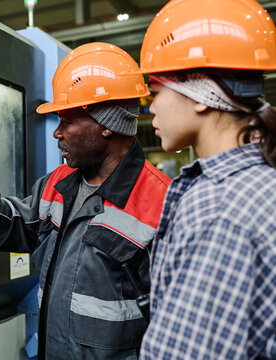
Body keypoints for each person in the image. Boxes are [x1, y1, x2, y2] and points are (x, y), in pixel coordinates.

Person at [0, 43, 170, 359]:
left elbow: (178, 330)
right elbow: (11, 226)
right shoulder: (58, 185)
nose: (57, 133)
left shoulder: (161, 204)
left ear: (106, 123)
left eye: (66, 120)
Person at [137, 0, 276, 359]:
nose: (150, 108)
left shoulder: (220, 209)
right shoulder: (259, 184)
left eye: (155, 92)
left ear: (198, 92)